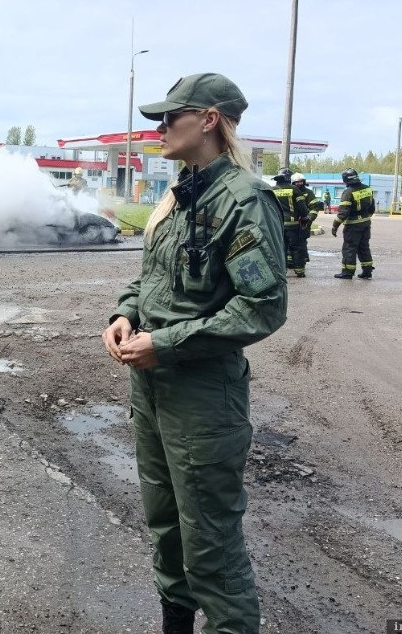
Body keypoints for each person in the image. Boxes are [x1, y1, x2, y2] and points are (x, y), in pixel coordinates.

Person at [101, 72, 287, 634]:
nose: (158, 127)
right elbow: (153, 279)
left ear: (208, 120)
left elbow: (263, 305)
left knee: (210, 544)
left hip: (203, 398)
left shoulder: (242, 199)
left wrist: (167, 343)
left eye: (168, 117)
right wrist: (124, 313)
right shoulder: (179, 194)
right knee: (165, 528)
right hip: (153, 387)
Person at [331, 168, 376, 279]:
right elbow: (372, 207)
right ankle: (367, 271)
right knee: (364, 247)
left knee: (349, 248)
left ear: (346, 180)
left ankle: (347, 272)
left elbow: (343, 213)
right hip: (366, 223)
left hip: (353, 225)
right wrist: (365, 218)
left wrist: (335, 225)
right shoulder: (368, 189)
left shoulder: (348, 192)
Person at [271, 167, 309, 277]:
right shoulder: (294, 189)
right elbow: (302, 207)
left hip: (278, 225)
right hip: (293, 225)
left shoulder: (272, 190)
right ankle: (300, 271)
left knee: (281, 248)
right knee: (296, 247)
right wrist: (305, 218)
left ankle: (282, 272)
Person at [291, 172, 323, 273]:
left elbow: (314, 208)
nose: (299, 183)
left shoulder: (308, 193)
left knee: (302, 243)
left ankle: (302, 261)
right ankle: (291, 262)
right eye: (297, 182)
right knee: (290, 243)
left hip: (304, 223)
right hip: (292, 223)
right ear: (292, 183)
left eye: (301, 181)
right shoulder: (290, 192)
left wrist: (308, 219)